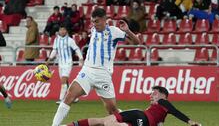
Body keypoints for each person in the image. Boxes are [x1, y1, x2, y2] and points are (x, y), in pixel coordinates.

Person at [51, 8, 140, 126]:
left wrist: (128, 31)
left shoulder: (114, 31)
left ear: (104, 20)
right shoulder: (93, 29)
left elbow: (136, 42)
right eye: (93, 21)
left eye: (97, 21)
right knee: (69, 96)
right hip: (87, 71)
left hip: (103, 74)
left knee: (112, 111)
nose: (94, 24)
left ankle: (132, 121)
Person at [65, 86, 201, 126]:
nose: (151, 96)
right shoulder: (160, 114)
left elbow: (175, 111)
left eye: (154, 93)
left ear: (163, 95)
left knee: (104, 121)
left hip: (139, 115)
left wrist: (189, 121)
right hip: (142, 120)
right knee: (106, 123)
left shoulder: (162, 102)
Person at [46, 25, 83, 104]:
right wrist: (49, 60)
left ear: (66, 31)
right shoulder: (56, 40)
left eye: (64, 30)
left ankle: (61, 99)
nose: (62, 31)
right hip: (61, 63)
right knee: (65, 81)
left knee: (63, 80)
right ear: (58, 31)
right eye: (61, 30)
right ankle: (74, 97)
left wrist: (81, 58)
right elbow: (54, 50)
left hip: (68, 62)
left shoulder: (70, 40)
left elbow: (76, 48)